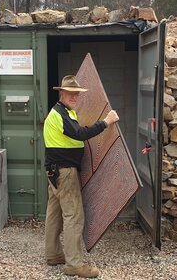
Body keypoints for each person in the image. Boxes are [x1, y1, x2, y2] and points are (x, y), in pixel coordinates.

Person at [43, 75, 119, 278]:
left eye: (77, 94)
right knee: (73, 216)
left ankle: (53, 254)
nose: (74, 97)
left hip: (55, 171)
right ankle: (74, 264)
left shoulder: (63, 112)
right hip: (64, 172)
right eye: (70, 93)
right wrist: (106, 122)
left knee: (55, 214)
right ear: (61, 93)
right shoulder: (61, 114)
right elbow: (79, 134)